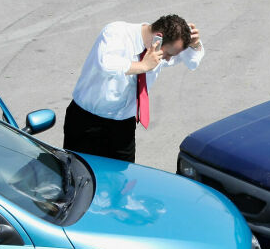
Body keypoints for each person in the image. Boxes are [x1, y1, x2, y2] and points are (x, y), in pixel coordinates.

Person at [63, 14, 203, 162]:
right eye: (168, 54)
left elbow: (192, 63)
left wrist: (195, 46)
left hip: (123, 127)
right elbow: (105, 64)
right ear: (158, 38)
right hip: (87, 122)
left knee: (123, 180)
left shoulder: (159, 51)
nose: (168, 59)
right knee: (78, 176)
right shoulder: (116, 32)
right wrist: (142, 66)